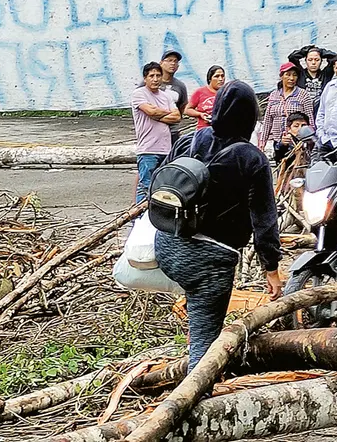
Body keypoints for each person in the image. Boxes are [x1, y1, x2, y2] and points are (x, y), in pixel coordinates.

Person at [155, 80, 283, 370]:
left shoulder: (189, 140)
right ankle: (192, 403)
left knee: (197, 303)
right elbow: (264, 219)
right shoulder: (252, 158)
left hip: (167, 244)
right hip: (208, 258)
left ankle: (194, 307)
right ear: (250, 117)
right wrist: (271, 268)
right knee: (205, 342)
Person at [131, 62, 180, 204]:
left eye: (158, 75)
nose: (155, 79)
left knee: (163, 188)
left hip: (166, 149)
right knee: (145, 187)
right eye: (151, 75)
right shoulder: (139, 94)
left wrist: (157, 114)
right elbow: (151, 111)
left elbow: (177, 117)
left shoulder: (166, 96)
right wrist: (162, 113)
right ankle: (140, 219)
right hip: (148, 149)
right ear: (145, 78)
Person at [258, 63, 314, 152]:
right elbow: (267, 121)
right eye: (288, 75)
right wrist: (262, 144)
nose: (291, 78)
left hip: (297, 143)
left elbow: (310, 120)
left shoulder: (303, 94)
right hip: (278, 142)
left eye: (294, 75)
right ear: (281, 76)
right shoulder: (274, 95)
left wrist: (310, 141)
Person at [159, 50, 188, 143]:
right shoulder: (150, 83)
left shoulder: (180, 86)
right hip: (153, 131)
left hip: (173, 131)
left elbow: (182, 107)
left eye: (175, 61)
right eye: (169, 60)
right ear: (161, 63)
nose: (173, 63)